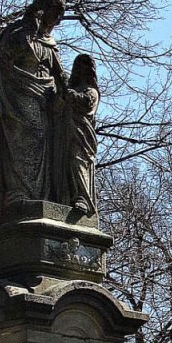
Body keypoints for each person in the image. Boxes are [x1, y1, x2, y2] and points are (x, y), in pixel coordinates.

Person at [0, 0, 66, 223]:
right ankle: (18, 194)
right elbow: (3, 64)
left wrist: (72, 93)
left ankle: (41, 195)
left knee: (45, 141)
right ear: (44, 10)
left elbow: (59, 73)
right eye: (56, 14)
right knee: (27, 138)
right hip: (20, 94)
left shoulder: (49, 42)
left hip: (46, 97)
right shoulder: (18, 34)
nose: (58, 21)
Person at [59, 53, 100, 220]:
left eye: (84, 67)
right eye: (78, 66)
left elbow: (84, 103)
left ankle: (83, 198)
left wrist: (68, 93)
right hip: (64, 132)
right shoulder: (69, 89)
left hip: (82, 135)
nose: (80, 70)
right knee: (64, 164)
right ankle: (66, 197)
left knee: (78, 162)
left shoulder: (91, 91)